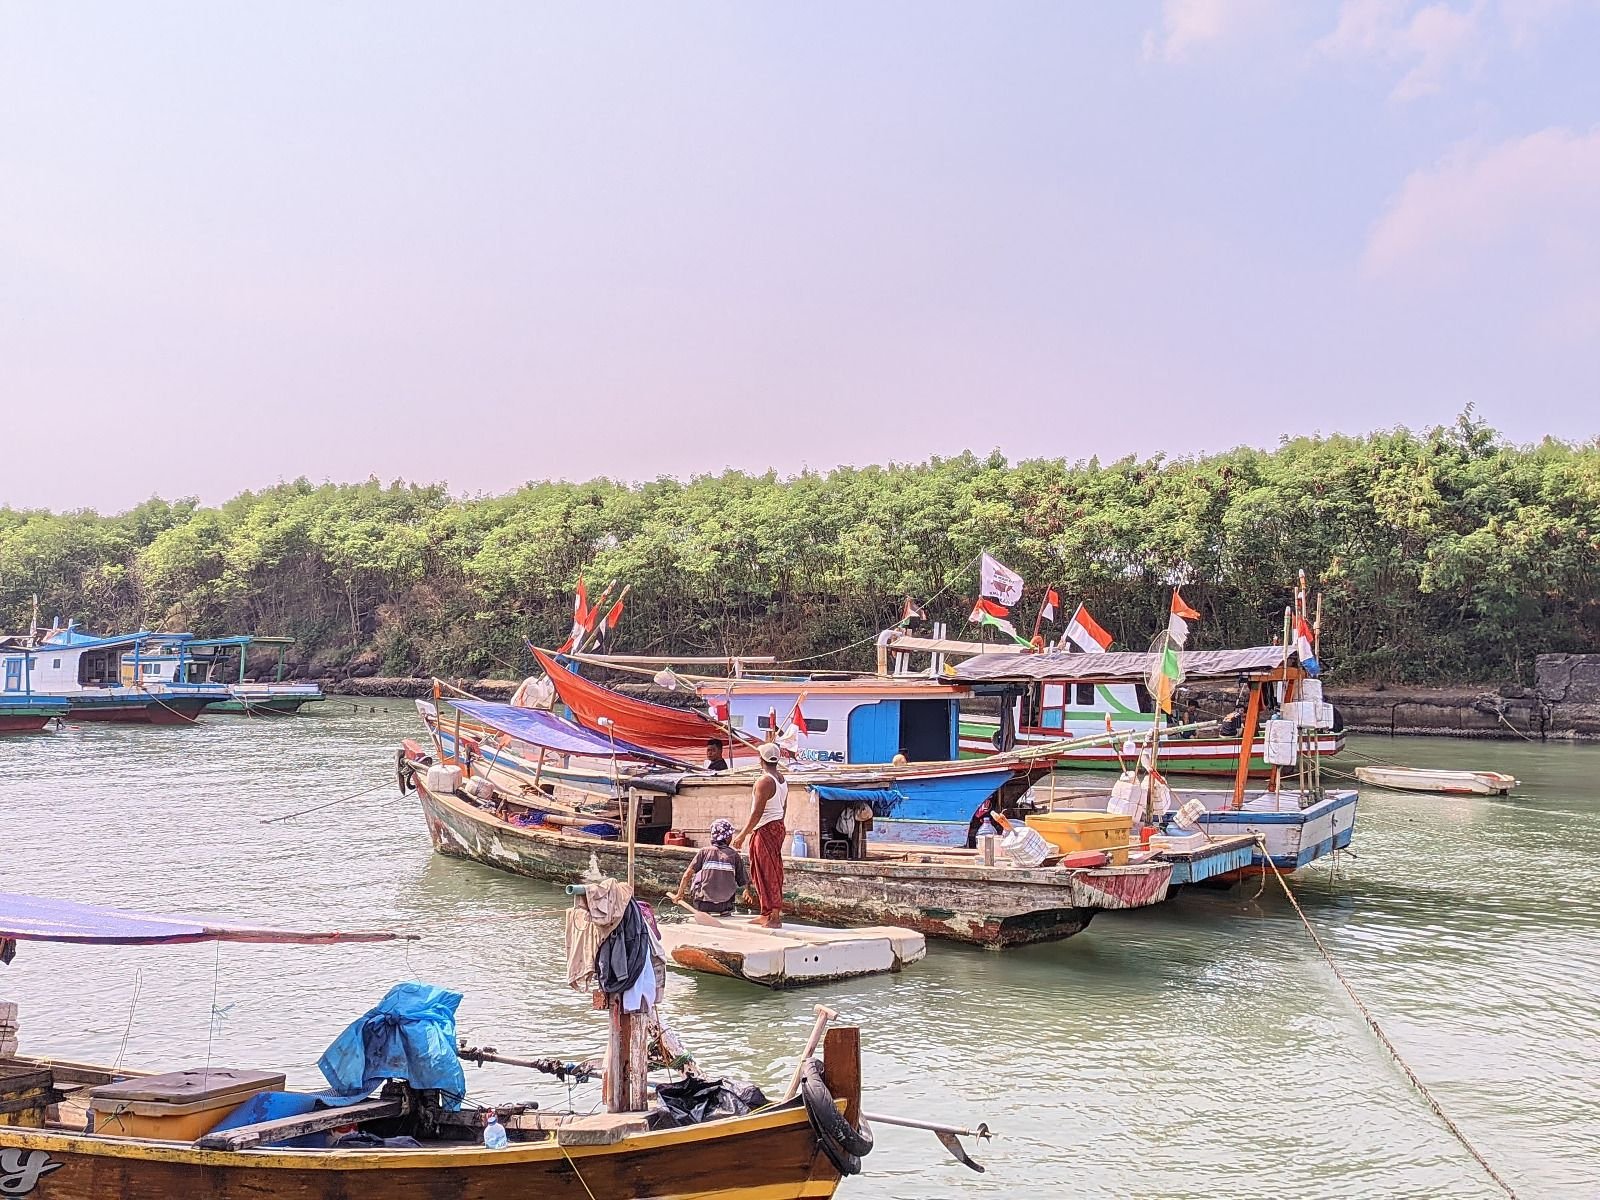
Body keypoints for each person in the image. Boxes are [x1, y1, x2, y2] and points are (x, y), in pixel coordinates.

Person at [733, 742, 787, 928]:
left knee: (766, 872)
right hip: (777, 826)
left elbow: (756, 813)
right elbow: (783, 808)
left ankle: (772, 916)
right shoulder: (781, 779)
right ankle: (770, 913)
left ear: (760, 759)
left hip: (765, 829)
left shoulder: (764, 781)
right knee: (768, 871)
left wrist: (741, 835)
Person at [671, 818, 748, 915]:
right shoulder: (734, 855)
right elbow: (743, 880)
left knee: (699, 874)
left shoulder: (704, 852)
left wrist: (679, 894)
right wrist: (747, 891)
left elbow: (687, 875)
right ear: (728, 838)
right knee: (728, 878)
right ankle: (725, 912)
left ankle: (704, 910)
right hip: (725, 904)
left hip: (704, 904)